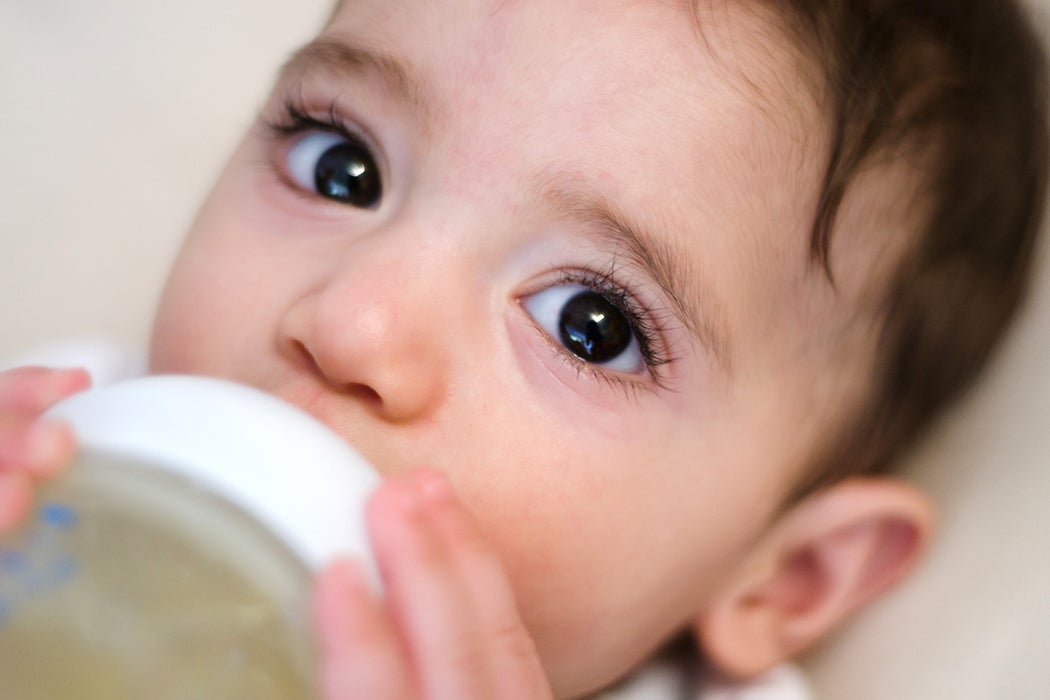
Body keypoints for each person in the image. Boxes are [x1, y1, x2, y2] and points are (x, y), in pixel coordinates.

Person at [1, 0, 1046, 697]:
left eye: (592, 325)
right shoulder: (61, 452)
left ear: (784, 579)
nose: (352, 322)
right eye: (341, 165)